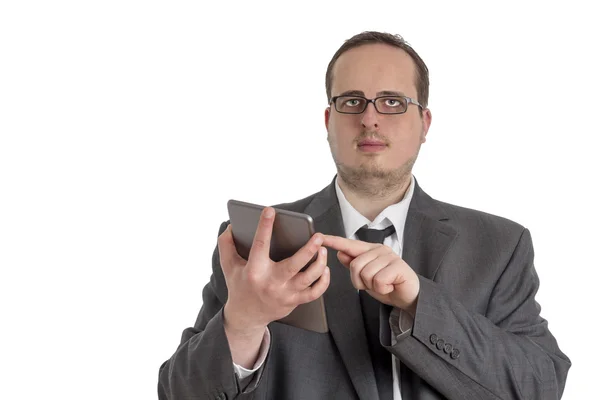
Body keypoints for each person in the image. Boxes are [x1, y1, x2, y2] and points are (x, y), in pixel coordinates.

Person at [157, 31, 571, 400]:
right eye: (351, 101)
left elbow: (540, 387)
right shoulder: (257, 243)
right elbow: (179, 394)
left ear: (424, 122)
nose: (369, 118)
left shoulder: (497, 244)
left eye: (392, 102)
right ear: (328, 120)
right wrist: (243, 322)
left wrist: (419, 302)